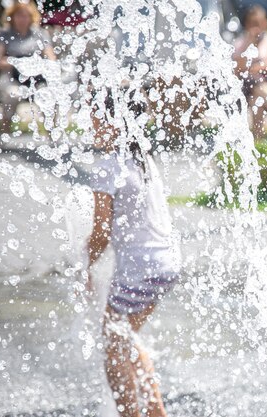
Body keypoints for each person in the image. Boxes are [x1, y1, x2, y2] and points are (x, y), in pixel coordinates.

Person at [86, 92, 181, 417]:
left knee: (113, 348)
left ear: (115, 123)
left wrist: (85, 266)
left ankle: (132, 414)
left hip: (139, 271)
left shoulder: (107, 167)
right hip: (164, 265)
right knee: (125, 339)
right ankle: (155, 411)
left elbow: (100, 233)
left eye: (97, 116)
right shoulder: (142, 159)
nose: (92, 123)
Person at [0, 2, 56, 134]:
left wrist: (38, 64)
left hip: (37, 77)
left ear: (31, 17)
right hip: (12, 76)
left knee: (47, 95)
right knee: (12, 94)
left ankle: (52, 135)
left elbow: (51, 59)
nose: (23, 19)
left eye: (26, 16)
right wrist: (19, 63)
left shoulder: (39, 34)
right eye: (19, 15)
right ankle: (4, 134)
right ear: (12, 16)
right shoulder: (5, 34)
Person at [232, 5, 267, 139]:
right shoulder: (241, 43)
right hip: (246, 87)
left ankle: (258, 139)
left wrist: (255, 68)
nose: (255, 27)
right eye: (252, 23)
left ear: (266, 23)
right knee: (255, 88)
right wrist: (249, 44)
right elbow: (236, 67)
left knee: (257, 97)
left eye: (258, 23)